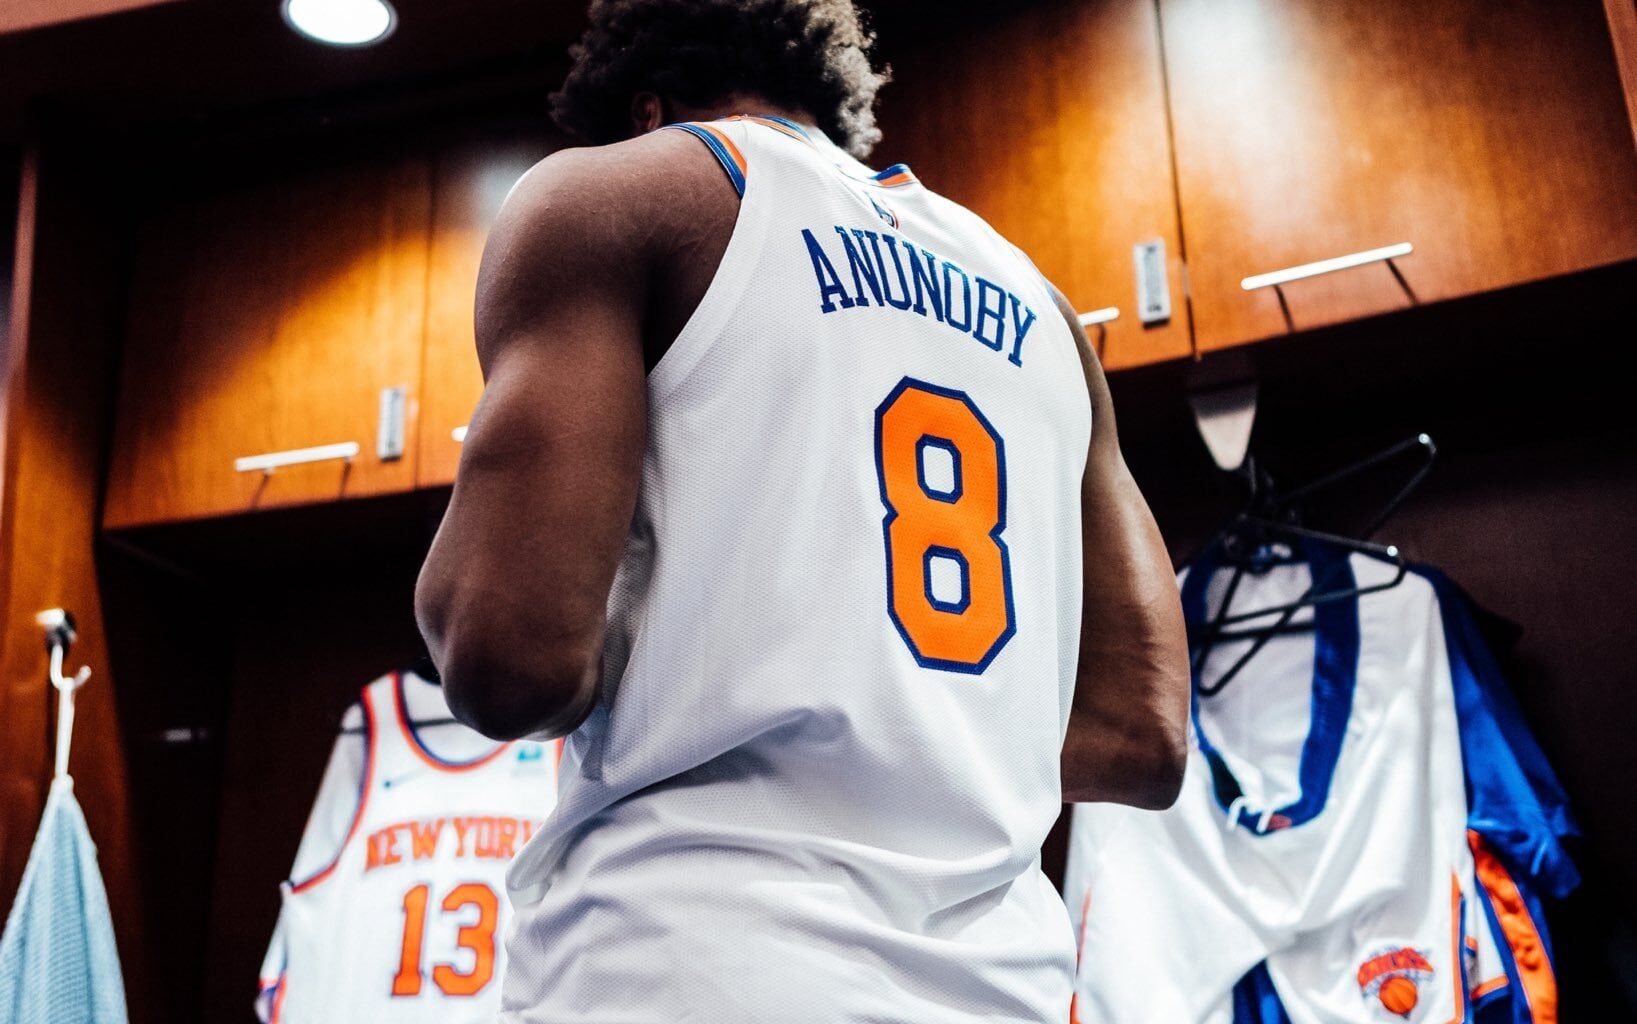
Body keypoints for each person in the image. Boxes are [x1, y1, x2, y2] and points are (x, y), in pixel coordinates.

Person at [414, 1, 1191, 1020]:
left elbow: (506, 662)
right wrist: (897, 717)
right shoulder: (1041, 306)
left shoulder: (618, 191)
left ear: (645, 108)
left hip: (688, 964)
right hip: (1003, 986)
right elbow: (1141, 737)